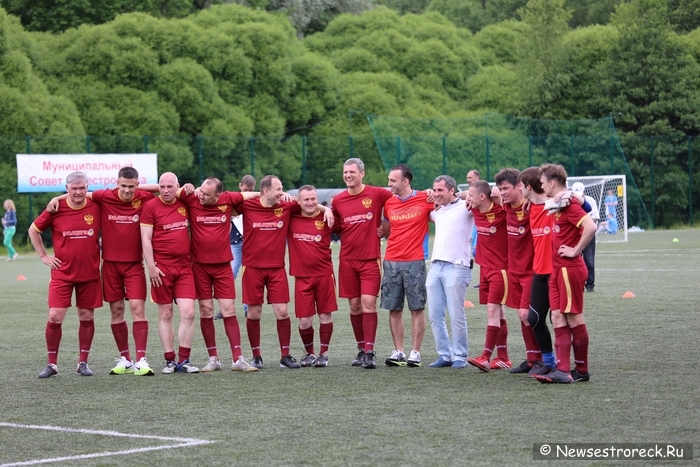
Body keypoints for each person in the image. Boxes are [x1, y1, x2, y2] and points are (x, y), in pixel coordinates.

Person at [48, 167, 159, 376]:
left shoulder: (143, 196)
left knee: (137, 309)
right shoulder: (105, 196)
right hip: (109, 265)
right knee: (116, 311)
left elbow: (164, 189)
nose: (127, 190)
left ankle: (141, 360)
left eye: (131, 186)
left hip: (135, 264)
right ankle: (126, 359)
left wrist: (140, 186)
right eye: (123, 185)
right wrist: (57, 197)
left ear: (138, 184)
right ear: (117, 184)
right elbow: (79, 192)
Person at [237, 175, 332, 369]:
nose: (282, 192)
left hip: (276, 268)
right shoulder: (248, 206)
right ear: (265, 191)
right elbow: (226, 200)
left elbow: (309, 205)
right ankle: (257, 356)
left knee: (282, 312)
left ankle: (285, 356)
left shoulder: (287, 206)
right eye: (278, 188)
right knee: (254, 313)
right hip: (252, 267)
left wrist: (327, 208)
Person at [178, 177, 260, 372]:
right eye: (201, 191)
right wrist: (186, 186)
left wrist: (277, 193)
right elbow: (166, 190)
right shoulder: (192, 198)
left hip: (223, 266)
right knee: (206, 311)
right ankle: (213, 358)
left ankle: (237, 359)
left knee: (229, 310)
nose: (202, 196)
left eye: (207, 194)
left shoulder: (228, 199)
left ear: (218, 195)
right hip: (199, 267)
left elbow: (254, 195)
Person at [29, 172, 102, 378]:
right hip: (62, 273)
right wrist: (43, 256)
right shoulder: (55, 208)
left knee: (86, 315)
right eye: (74, 188)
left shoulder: (96, 205)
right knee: (54, 316)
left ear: (88, 187)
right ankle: (52, 364)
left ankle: (83, 362)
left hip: (89, 273)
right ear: (67, 188)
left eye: (82, 188)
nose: (78, 192)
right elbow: (33, 230)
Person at [535, 164, 596, 384]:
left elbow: (590, 226)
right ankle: (562, 369)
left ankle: (581, 370)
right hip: (557, 270)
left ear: (552, 182)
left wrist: (575, 250)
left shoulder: (568, 205)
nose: (541, 186)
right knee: (558, 316)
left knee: (573, 316)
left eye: (542, 182)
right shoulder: (558, 204)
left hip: (569, 269)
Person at [332, 158, 393, 369]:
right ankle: (360, 349)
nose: (348, 175)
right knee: (355, 305)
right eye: (345, 172)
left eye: (352, 172)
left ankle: (369, 351)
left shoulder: (377, 193)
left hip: (370, 259)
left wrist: (386, 226)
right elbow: (336, 227)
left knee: (368, 303)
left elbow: (401, 200)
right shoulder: (338, 200)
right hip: (347, 260)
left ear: (362, 174)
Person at [140, 172, 199, 374]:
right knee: (165, 314)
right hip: (161, 269)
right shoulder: (150, 207)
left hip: (184, 268)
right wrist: (151, 267)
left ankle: (185, 360)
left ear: (177, 187)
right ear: (158, 187)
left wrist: (192, 187)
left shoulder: (185, 202)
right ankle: (170, 361)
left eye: (170, 187)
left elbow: (202, 195)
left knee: (189, 313)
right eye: (162, 187)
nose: (166, 190)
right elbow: (145, 239)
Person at [379, 165, 434, 368]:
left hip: (415, 261)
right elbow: (384, 230)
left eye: (393, 180)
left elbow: (446, 206)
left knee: (417, 308)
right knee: (394, 309)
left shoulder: (425, 198)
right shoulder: (388, 203)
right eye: (389, 180)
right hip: (391, 261)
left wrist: (432, 192)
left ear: (405, 181)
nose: (389, 184)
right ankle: (399, 351)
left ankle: (416, 352)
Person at [494, 168, 541, 374]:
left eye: (506, 188)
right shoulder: (505, 207)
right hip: (513, 271)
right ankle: (532, 359)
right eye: (500, 188)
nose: (502, 192)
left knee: (526, 315)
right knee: (522, 316)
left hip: (531, 271)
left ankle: (541, 358)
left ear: (519, 187)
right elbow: (475, 193)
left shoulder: (532, 206)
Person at [425, 175, 474, 368]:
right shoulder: (437, 212)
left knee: (456, 314)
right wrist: (428, 195)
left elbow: (481, 192)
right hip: (435, 266)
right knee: (435, 315)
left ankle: (461, 356)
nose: (436, 194)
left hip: (457, 265)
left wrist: (462, 195)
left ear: (452, 190)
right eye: (434, 190)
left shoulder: (466, 207)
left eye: (440, 190)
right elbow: (421, 206)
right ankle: (445, 355)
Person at [288, 185, 337, 367]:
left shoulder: (326, 217)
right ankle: (309, 353)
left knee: (325, 315)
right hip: (302, 276)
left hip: (324, 274)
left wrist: (327, 209)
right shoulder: (291, 216)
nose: (310, 202)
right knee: (305, 320)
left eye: (313, 199)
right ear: (298, 201)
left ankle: (323, 354)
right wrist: (327, 207)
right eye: (306, 199)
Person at [467, 180, 510, 372]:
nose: (468, 197)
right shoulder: (475, 209)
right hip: (484, 268)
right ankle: (503, 358)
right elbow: (460, 196)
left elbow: (514, 209)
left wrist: (499, 199)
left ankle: (485, 357)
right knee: (498, 313)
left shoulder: (502, 212)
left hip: (500, 270)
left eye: (471, 194)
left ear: (482, 197)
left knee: (492, 312)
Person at [216, 175, 256, 320]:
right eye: (245, 189)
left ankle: (247, 308)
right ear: (240, 186)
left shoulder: (254, 201)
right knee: (229, 274)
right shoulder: (232, 200)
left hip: (250, 243)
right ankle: (224, 308)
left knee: (249, 276)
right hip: (235, 243)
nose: (247, 192)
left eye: (250, 190)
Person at [571, 182, 599, 292]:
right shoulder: (570, 202)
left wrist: (583, 223)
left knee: (589, 260)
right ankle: (577, 284)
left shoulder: (591, 201)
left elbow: (595, 217)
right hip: (575, 235)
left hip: (588, 234)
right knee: (574, 260)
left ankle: (590, 284)